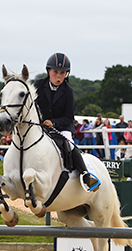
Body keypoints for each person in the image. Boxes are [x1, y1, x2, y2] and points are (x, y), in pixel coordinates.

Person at [34, 53, 100, 192]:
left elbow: (69, 117)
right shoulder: (38, 85)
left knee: (69, 144)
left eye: (62, 73)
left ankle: (85, 174)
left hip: (62, 126)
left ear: (66, 74)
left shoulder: (68, 91)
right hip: (40, 125)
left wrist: (53, 123)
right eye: (55, 72)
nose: (58, 76)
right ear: (48, 71)